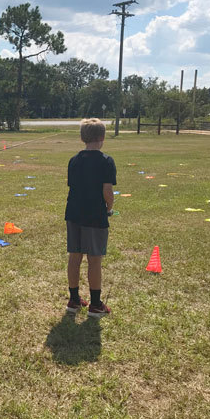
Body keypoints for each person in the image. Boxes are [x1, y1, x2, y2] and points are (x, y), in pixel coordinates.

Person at [64, 118, 116, 317]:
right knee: (94, 260)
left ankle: (74, 299)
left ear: (82, 138)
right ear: (102, 137)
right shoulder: (106, 161)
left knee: (74, 257)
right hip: (95, 215)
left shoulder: (74, 160)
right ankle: (95, 304)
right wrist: (109, 208)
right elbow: (107, 191)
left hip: (74, 213)